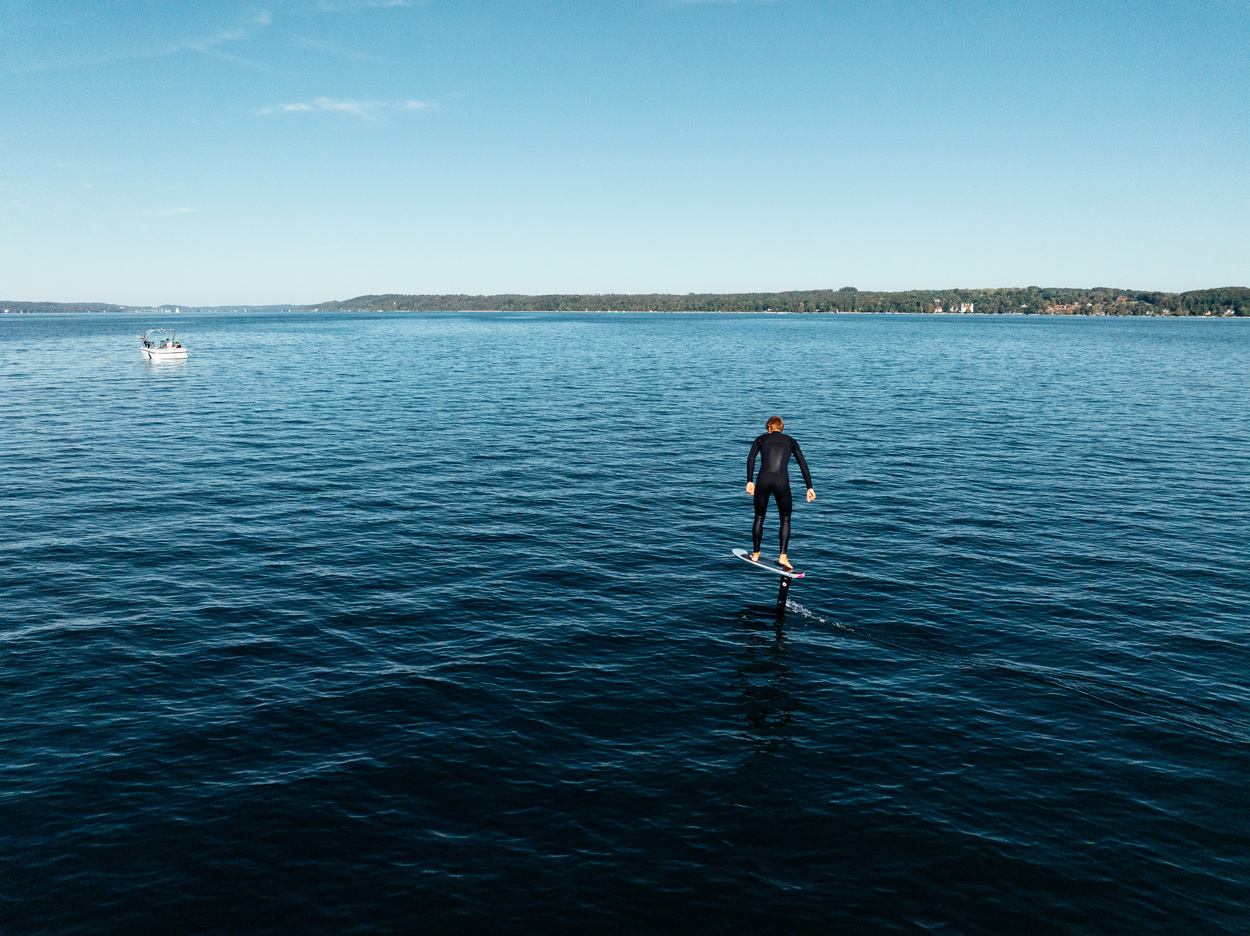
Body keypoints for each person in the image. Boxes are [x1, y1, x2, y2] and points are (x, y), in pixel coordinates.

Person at [746, 416, 814, 571]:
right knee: (785, 519)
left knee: (759, 517)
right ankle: (783, 556)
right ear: (781, 428)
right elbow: (802, 463)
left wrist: (749, 481)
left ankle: (756, 553)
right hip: (781, 483)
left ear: (769, 428)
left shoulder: (761, 439)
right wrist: (809, 487)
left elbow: (751, 458)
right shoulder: (790, 441)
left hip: (763, 481)